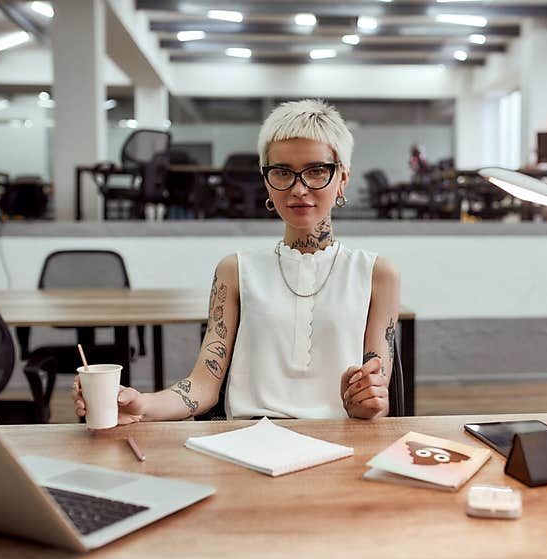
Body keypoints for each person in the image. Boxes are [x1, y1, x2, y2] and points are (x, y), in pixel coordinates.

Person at [73, 99, 400, 422]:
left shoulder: (376, 274)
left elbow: (377, 395)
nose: (299, 188)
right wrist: (141, 404)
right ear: (266, 181)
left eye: (316, 171)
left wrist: (367, 403)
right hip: (247, 442)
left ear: (342, 177)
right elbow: (203, 386)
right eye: (282, 172)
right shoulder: (236, 271)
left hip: (339, 445)